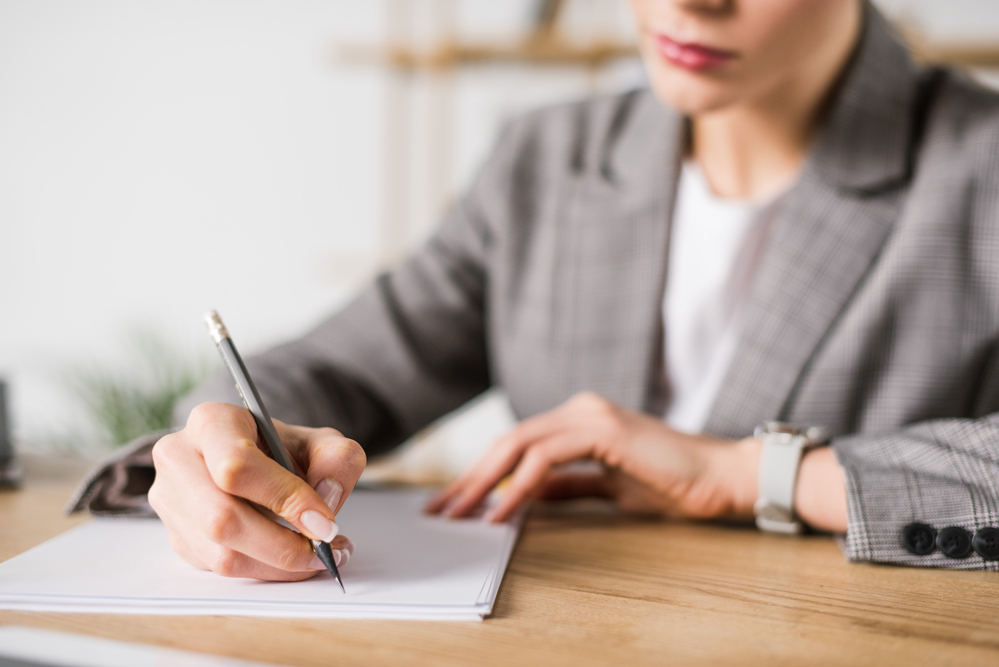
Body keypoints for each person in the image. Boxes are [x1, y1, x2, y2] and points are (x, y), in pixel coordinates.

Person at [88, 0, 999, 579]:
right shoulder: (547, 160)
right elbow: (338, 369)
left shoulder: (977, 165)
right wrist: (220, 445)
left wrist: (746, 472)